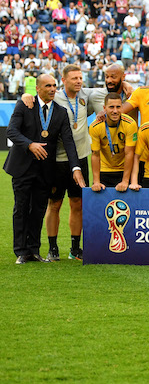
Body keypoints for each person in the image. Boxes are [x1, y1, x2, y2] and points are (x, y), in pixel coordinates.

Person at [5, 74, 85, 264]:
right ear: (38, 89)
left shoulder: (60, 112)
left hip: (45, 170)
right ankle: (21, 251)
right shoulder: (24, 105)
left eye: (54, 86)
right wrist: (30, 144)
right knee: (22, 208)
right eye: (48, 85)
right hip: (23, 167)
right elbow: (11, 131)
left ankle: (33, 250)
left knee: (39, 210)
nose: (52, 89)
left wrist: (75, 167)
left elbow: (68, 142)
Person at [89, 92, 137, 192]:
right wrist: (96, 181)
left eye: (118, 107)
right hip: (105, 170)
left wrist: (125, 181)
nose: (115, 111)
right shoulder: (95, 126)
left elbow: (129, 153)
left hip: (124, 170)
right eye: (111, 107)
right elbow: (95, 154)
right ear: (104, 108)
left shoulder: (130, 124)